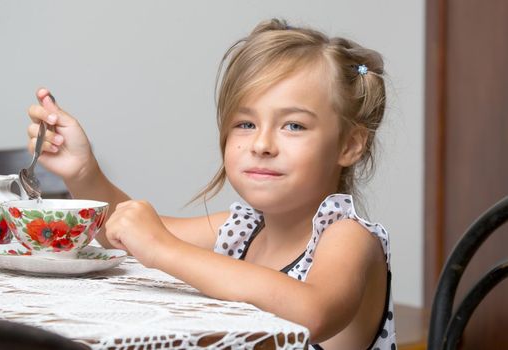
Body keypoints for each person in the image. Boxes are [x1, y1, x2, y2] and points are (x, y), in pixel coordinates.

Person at [27, 18, 396, 350]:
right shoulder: (241, 230)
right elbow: (123, 231)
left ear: (349, 145)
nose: (262, 145)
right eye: (246, 124)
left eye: (294, 126)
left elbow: (313, 312)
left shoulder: (349, 237)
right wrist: (83, 172)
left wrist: (165, 250)